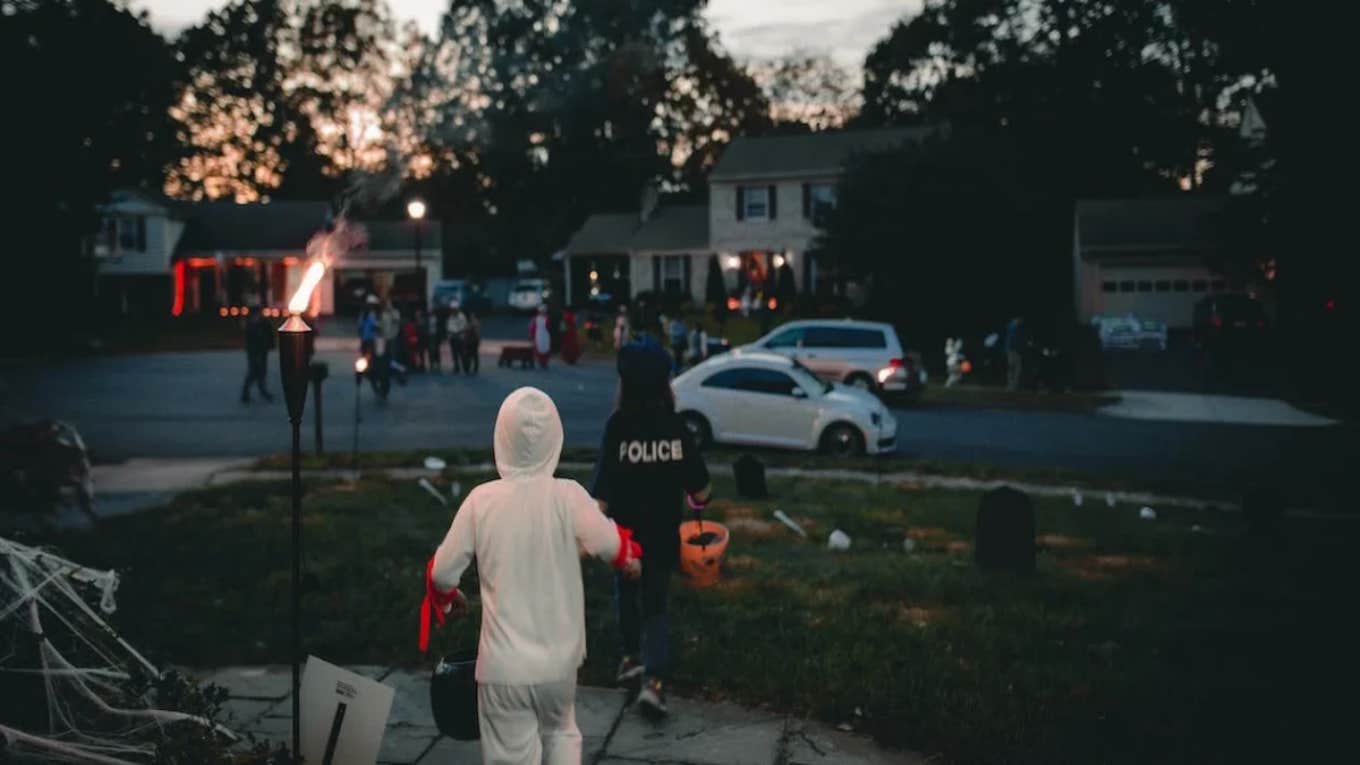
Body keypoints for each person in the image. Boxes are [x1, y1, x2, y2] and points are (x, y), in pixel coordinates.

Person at [422, 387, 644, 765]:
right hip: (557, 666)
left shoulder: (481, 501)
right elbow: (614, 546)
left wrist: (448, 596)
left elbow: (442, 572)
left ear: (500, 440)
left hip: (502, 668)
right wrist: (631, 562)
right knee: (560, 736)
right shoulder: (569, 496)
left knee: (511, 754)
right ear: (555, 439)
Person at [591, 338, 712, 717]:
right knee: (656, 606)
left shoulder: (617, 427)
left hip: (624, 539)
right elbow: (702, 489)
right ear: (665, 385)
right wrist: (697, 501)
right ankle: (654, 683)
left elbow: (601, 497)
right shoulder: (676, 429)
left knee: (626, 594)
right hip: (661, 537)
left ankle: (629, 659)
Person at [240, 304, 275, 403]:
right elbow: (250, 339)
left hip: (262, 350)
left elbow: (270, 334)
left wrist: (269, 344)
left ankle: (263, 391)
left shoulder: (263, 322)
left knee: (262, 372)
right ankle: (245, 394)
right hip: (254, 351)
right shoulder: (250, 324)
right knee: (253, 372)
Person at [1005, 315, 1027, 391]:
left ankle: (1013, 386)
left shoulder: (1014, 327)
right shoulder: (1014, 327)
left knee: (1014, 368)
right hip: (1013, 350)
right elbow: (1014, 340)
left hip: (1013, 350)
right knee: (1014, 368)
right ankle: (1012, 386)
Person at [446, 303, 468, 375]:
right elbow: (449, 326)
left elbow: (464, 326)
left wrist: (456, 332)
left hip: (460, 337)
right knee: (454, 353)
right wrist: (450, 333)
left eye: (454, 309)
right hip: (453, 337)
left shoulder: (462, 316)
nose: (453, 311)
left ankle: (465, 367)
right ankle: (456, 367)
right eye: (452, 309)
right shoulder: (450, 317)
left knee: (462, 353)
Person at [529, 304, 552, 370]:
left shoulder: (547, 318)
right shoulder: (536, 319)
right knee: (539, 347)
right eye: (542, 311)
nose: (543, 312)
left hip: (545, 334)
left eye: (544, 311)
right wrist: (532, 334)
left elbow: (548, 327)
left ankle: (544, 362)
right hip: (539, 334)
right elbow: (532, 327)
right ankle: (541, 361)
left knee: (545, 347)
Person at [462, 310, 482, 375]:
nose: (471, 316)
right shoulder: (468, 322)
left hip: (473, 341)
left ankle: (474, 368)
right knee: (469, 355)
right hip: (468, 341)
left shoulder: (475, 322)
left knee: (474, 355)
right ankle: (468, 367)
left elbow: (477, 333)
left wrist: (477, 340)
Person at [427, 306, 445, 371]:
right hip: (429, 336)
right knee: (430, 350)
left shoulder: (437, 318)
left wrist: (441, 337)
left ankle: (438, 363)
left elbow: (440, 328)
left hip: (436, 336)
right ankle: (432, 363)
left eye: (431, 311)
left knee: (436, 350)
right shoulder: (427, 319)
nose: (430, 312)